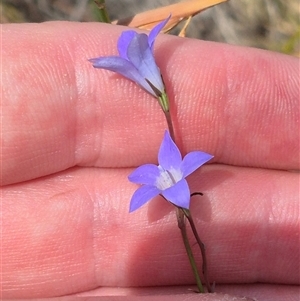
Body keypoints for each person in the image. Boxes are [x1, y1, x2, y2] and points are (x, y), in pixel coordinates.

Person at [1, 21, 299, 301]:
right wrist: (179, 198)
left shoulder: (180, 174)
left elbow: (176, 168)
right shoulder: (167, 181)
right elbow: (144, 180)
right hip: (167, 144)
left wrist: (181, 199)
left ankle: (202, 285)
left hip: (172, 158)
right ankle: (203, 286)